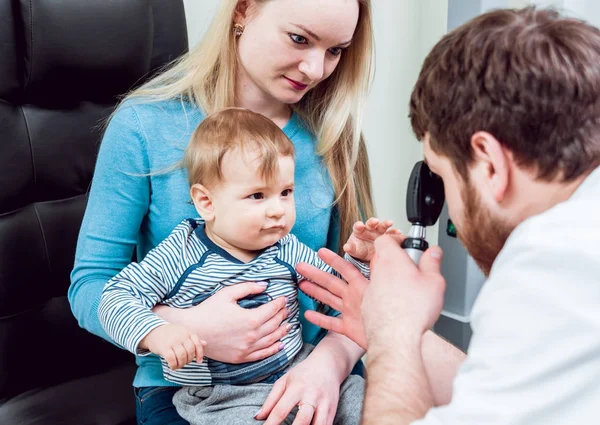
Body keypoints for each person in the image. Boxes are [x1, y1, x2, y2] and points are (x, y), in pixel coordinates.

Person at [69, 1, 389, 424]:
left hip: (314, 369)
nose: (314, 68)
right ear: (242, 11)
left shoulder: (332, 136)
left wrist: (328, 366)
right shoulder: (143, 126)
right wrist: (183, 328)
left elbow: (351, 291)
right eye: (299, 39)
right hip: (188, 389)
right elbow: (91, 285)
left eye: (335, 51)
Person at [296, 6, 600, 425]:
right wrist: (389, 328)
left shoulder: (553, 263)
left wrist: (394, 337)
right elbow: (503, 390)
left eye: (442, 177)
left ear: (490, 164)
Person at [98, 107, 389, 424]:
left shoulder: (286, 248)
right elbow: (114, 297)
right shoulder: (179, 255)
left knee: (374, 405)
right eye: (257, 195)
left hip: (299, 367)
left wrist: (360, 262)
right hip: (225, 397)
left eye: (286, 193)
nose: (278, 210)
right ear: (206, 202)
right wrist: (157, 332)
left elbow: (339, 296)